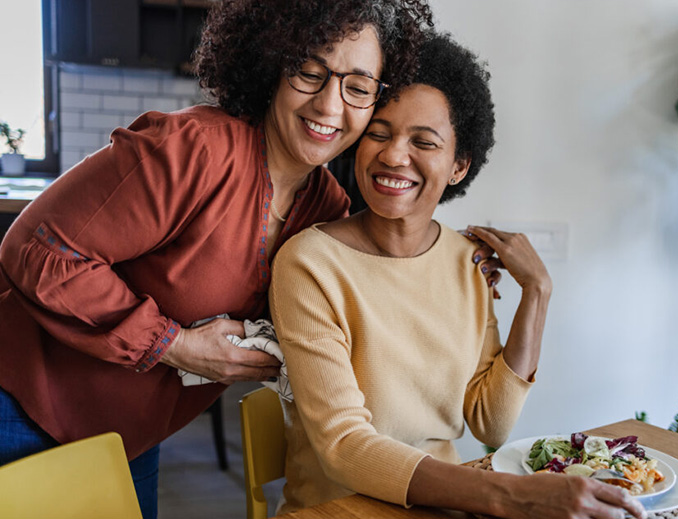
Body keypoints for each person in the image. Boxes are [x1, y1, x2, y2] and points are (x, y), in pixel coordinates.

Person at [0, 2, 477, 518]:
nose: (329, 105)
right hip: (20, 403)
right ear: (273, 63)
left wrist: (463, 270)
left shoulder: (326, 210)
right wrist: (173, 344)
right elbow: (38, 249)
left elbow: (373, 312)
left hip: (129, 435)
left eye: (358, 87)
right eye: (308, 71)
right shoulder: (193, 150)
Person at [270, 33, 646, 519]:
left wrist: (538, 291)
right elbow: (343, 445)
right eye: (379, 133)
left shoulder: (465, 261)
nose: (392, 156)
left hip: (443, 503)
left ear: (458, 166)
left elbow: (490, 423)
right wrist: (508, 495)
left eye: (423, 142)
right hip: (338, 508)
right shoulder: (310, 263)